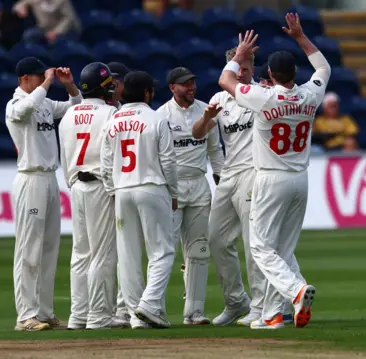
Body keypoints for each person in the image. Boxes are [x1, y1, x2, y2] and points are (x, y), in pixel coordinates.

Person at [217, 13, 329, 329]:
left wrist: (238, 57)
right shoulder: (310, 93)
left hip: (269, 178)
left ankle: (295, 291)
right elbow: (323, 68)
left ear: (269, 73)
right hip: (300, 179)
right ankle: (272, 315)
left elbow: (225, 82)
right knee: (282, 249)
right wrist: (300, 36)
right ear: (294, 72)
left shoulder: (264, 97)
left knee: (260, 247)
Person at [193, 48, 294, 328]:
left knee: (255, 242)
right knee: (216, 239)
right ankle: (236, 301)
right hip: (229, 174)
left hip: (256, 172)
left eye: (247, 65)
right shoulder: (220, 99)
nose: (244, 71)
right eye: (238, 66)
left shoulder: (260, 94)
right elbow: (198, 133)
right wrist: (205, 118)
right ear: (231, 67)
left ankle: (263, 306)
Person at [6, 57, 81, 331]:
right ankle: (25, 315)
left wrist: (70, 85)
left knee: (49, 248)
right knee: (28, 249)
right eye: (38, 76)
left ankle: (45, 313)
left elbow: (77, 108)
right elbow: (25, 110)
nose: (42, 80)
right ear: (25, 78)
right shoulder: (14, 104)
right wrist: (48, 83)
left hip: (50, 178)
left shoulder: (46, 103)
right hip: (30, 178)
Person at [100, 71, 178, 329]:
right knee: (163, 250)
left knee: (128, 255)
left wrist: (113, 191)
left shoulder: (112, 121)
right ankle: (149, 305)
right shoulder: (157, 119)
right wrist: (174, 193)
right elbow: (168, 160)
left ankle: (136, 317)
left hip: (123, 190)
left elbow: (106, 165)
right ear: (147, 93)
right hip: (151, 187)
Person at [58, 62, 129, 330]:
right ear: (106, 87)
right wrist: (113, 189)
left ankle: (78, 315)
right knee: (103, 254)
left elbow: (65, 158)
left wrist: (73, 182)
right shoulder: (111, 113)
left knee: (81, 253)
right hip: (101, 185)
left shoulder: (68, 115)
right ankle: (99, 315)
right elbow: (114, 156)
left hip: (77, 185)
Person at [156, 66, 224, 326]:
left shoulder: (208, 110)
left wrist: (221, 182)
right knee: (164, 250)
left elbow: (215, 152)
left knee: (199, 250)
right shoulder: (161, 115)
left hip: (199, 185)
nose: (191, 87)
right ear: (173, 87)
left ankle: (194, 312)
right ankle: (156, 309)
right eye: (185, 84)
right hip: (171, 188)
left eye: (193, 81)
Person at [107, 61, 132, 324]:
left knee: (126, 250)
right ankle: (102, 308)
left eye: (117, 80)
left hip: (125, 188)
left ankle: (124, 308)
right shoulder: (101, 111)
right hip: (105, 188)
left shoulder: (127, 112)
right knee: (101, 253)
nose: (113, 85)